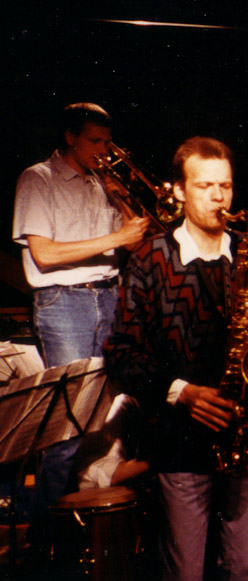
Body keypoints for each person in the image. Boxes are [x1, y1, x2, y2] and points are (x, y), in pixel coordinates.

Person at [103, 137, 248, 580]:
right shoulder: (149, 259)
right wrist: (183, 392)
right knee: (185, 572)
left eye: (225, 186)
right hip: (181, 442)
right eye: (205, 186)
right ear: (179, 190)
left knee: (246, 571)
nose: (218, 198)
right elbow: (120, 354)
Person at [12, 102, 150, 544]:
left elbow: (135, 240)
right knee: (67, 426)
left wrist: (119, 196)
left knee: (108, 420)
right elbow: (44, 253)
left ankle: (94, 534)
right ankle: (45, 541)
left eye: (108, 142)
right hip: (64, 302)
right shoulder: (38, 178)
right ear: (71, 137)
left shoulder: (101, 182)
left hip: (109, 296)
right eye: (95, 141)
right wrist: (116, 237)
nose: (104, 151)